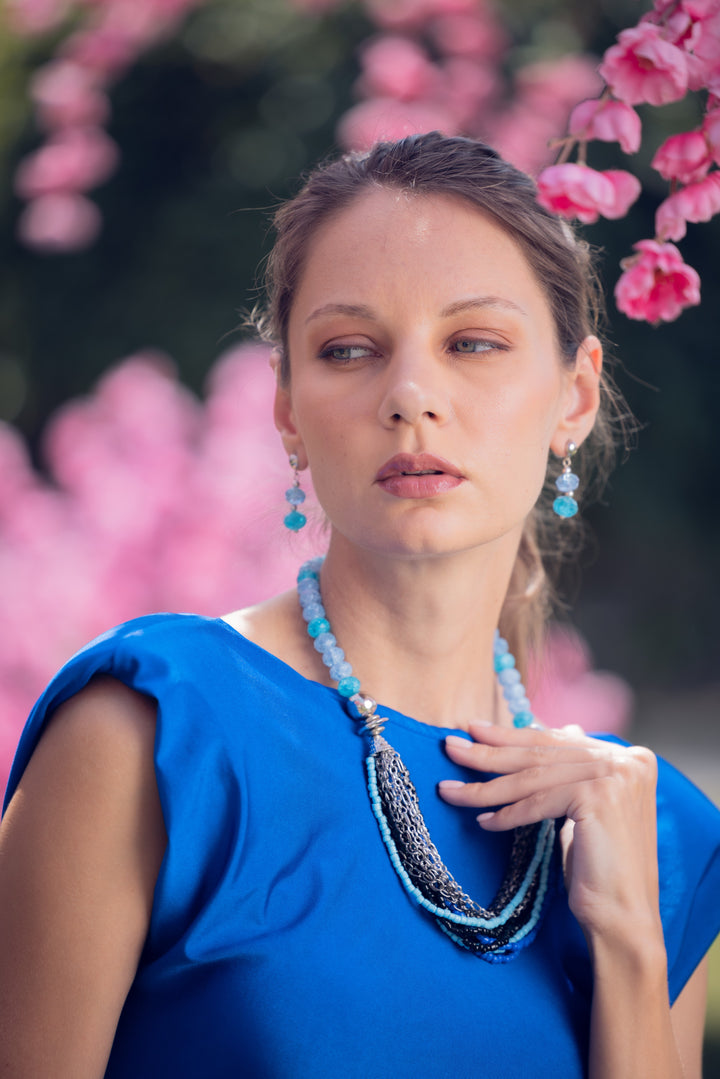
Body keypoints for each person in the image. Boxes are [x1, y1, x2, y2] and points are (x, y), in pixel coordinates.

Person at [1, 133, 719, 1079]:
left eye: (473, 343)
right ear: (288, 408)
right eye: (349, 349)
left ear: (574, 397)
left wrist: (629, 941)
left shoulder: (658, 828)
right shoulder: (153, 733)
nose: (411, 395)